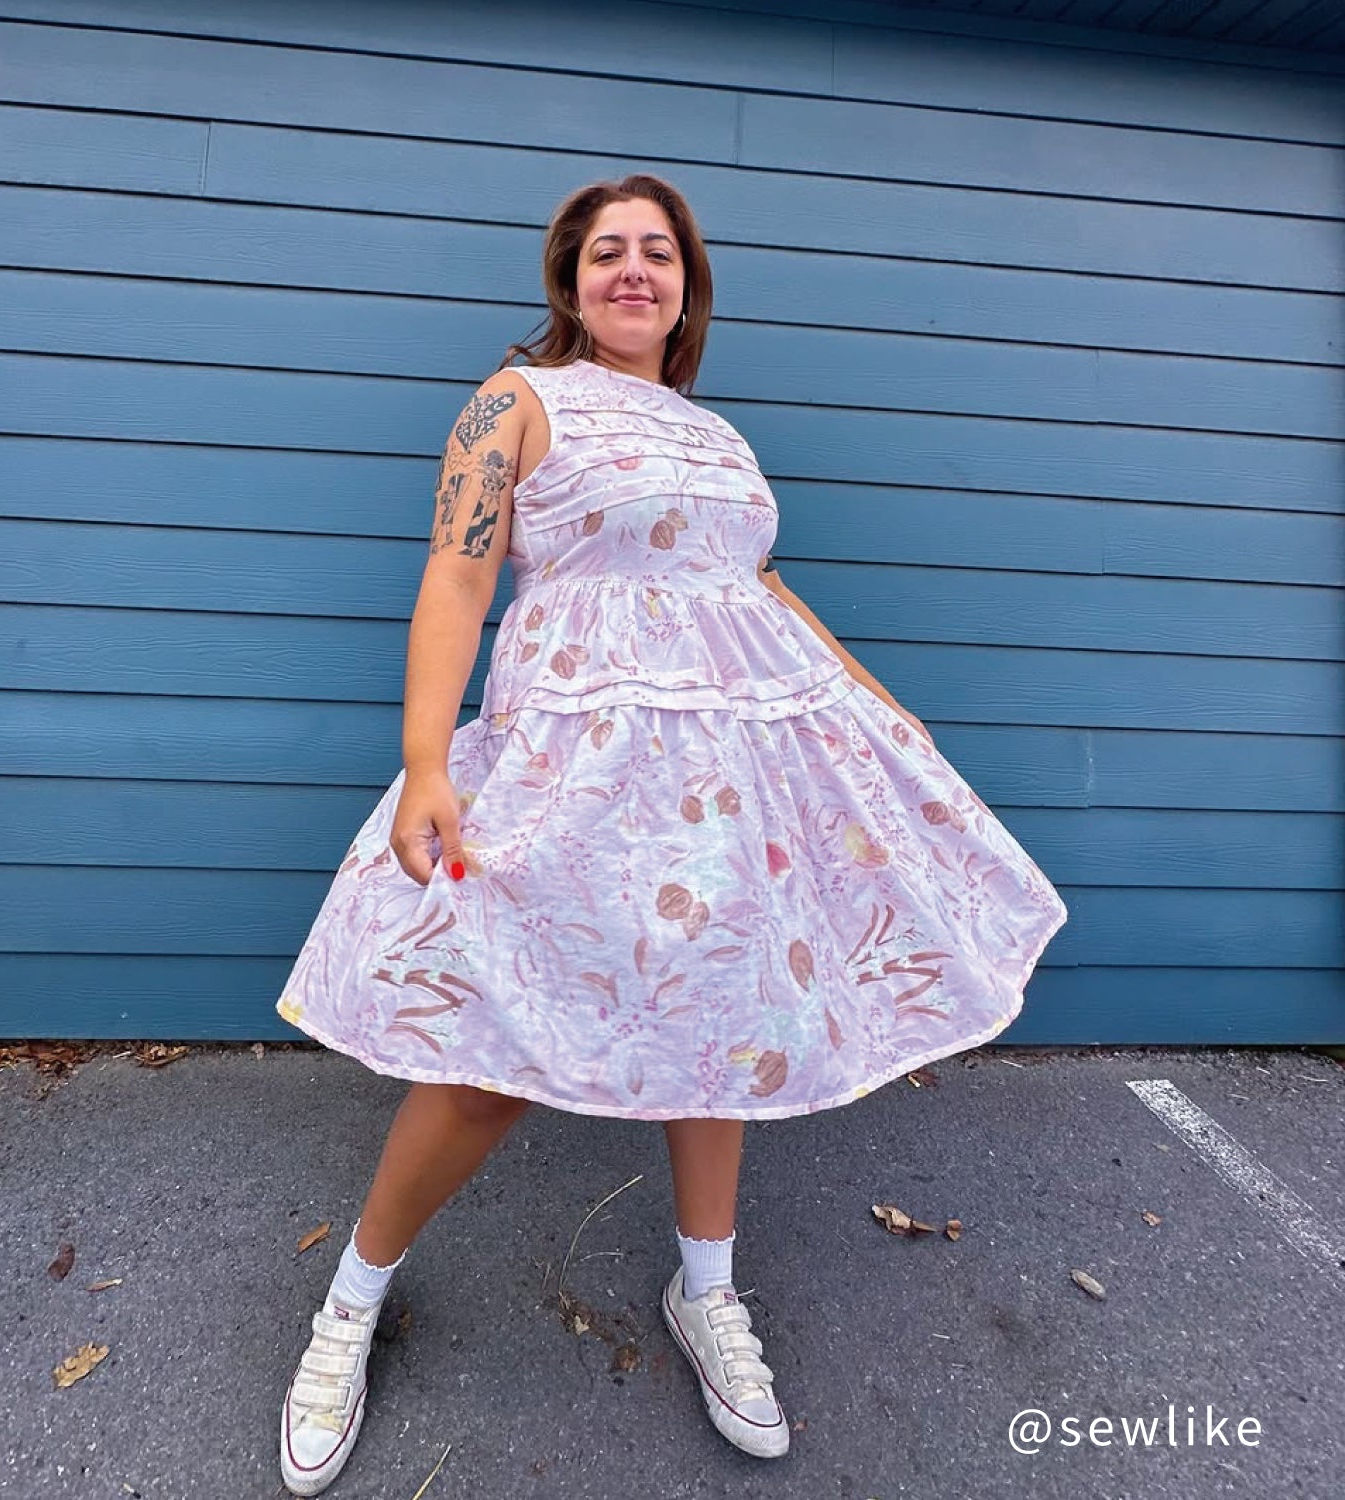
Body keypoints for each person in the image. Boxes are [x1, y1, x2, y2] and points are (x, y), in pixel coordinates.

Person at [274, 173, 1068, 1495]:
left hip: (729, 788)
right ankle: (351, 1301)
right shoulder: (515, 404)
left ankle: (707, 1289)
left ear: (687, 287)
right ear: (570, 282)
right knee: (489, 1052)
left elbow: (759, 590)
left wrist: (885, 711)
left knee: (722, 1025)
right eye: (606, 253)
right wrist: (425, 762)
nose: (632, 270)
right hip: (573, 775)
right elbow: (457, 575)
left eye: (656, 252)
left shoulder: (719, 438)